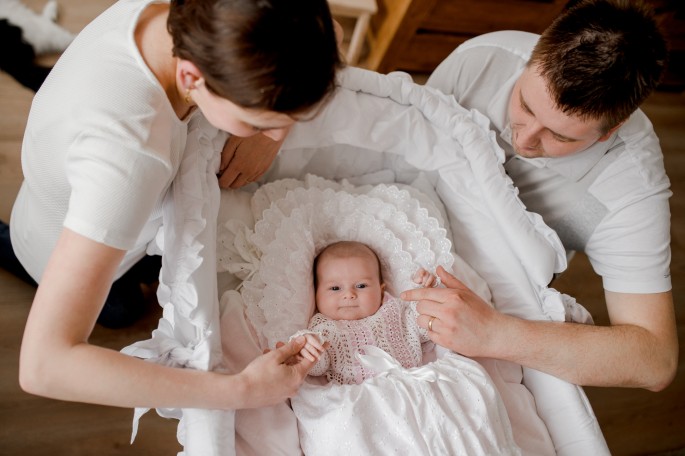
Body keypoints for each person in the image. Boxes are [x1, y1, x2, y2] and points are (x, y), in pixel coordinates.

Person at [15, 0, 343, 412]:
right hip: (57, 250)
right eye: (259, 120)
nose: (275, 130)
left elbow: (332, 27)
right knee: (122, 308)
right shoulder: (128, 155)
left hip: (62, 186)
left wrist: (269, 133)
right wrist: (241, 390)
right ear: (192, 76)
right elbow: (44, 364)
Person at [404, 0, 677, 392]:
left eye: (560, 136)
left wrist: (496, 334)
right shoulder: (483, 58)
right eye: (524, 105)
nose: (525, 139)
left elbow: (656, 360)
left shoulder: (627, 190)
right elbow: (408, 146)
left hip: (502, 282)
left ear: (610, 131)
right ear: (533, 59)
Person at [296, 241, 437, 385]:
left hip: (411, 385)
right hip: (361, 396)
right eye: (335, 288)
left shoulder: (394, 311)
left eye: (361, 286)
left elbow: (425, 329)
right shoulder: (324, 329)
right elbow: (316, 368)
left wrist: (423, 293)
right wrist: (306, 347)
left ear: (381, 290)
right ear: (316, 294)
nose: (349, 294)